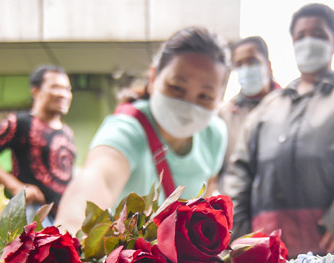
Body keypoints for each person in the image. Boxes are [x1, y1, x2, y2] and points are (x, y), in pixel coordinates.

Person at [223, 3, 334, 256]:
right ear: (292, 43)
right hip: (268, 256)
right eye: (301, 36)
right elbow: (238, 171)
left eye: (319, 34)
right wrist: (241, 235)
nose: (309, 42)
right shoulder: (268, 107)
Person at [56, 27, 230, 233]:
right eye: (176, 87)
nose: (188, 104)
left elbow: (206, 200)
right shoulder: (126, 130)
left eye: (205, 97)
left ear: (220, 96)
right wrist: (68, 238)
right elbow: (96, 181)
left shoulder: (215, 135)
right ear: (153, 78)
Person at [0, 65, 76, 222]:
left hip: (62, 217)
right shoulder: (21, 123)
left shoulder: (67, 133)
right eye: (55, 87)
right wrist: (17, 187)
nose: (63, 94)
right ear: (36, 91)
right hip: (34, 214)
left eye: (67, 89)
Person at [217, 36, 278, 191]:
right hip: (235, 204)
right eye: (239, 65)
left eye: (252, 61)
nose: (246, 69)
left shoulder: (289, 107)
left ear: (268, 66)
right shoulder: (224, 114)